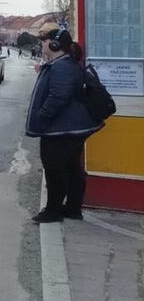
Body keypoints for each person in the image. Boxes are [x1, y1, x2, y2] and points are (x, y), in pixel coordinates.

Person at [26, 23, 102, 223]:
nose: (42, 45)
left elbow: (58, 97)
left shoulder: (62, 67)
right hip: (70, 127)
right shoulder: (64, 65)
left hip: (61, 128)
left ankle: (53, 211)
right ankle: (72, 208)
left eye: (44, 41)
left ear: (54, 44)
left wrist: (41, 117)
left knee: (54, 169)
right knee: (70, 167)